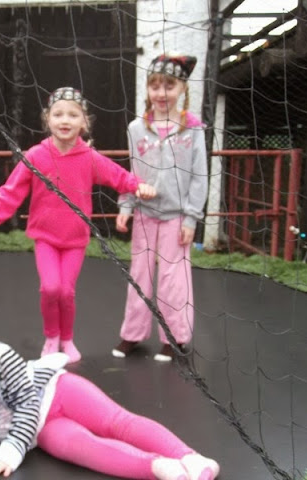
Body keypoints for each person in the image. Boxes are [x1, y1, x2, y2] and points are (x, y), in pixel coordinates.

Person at [0, 294, 220, 480]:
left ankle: (191, 457)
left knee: (117, 423)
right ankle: (161, 469)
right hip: (41, 431)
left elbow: (26, 403)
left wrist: (9, 451)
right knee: (86, 449)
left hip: (57, 392)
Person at [0, 87, 156, 363]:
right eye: (58, 114)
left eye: (73, 115)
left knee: (66, 292)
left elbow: (118, 176)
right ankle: (51, 336)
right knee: (50, 288)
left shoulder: (89, 158)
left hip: (75, 238)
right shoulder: (36, 156)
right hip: (45, 236)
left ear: (84, 122)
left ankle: (67, 338)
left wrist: (139, 186)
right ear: (48, 119)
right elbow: (11, 191)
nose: (65, 120)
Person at [113, 54, 208, 362]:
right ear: (148, 89)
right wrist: (126, 205)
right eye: (155, 86)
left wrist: (191, 218)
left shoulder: (193, 130)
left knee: (173, 279)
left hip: (177, 216)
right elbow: (132, 172)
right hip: (144, 213)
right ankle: (132, 334)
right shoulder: (136, 128)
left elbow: (199, 176)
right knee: (140, 274)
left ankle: (174, 338)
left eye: (169, 86)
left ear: (182, 88)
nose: (161, 93)